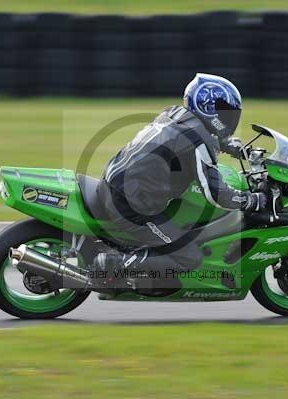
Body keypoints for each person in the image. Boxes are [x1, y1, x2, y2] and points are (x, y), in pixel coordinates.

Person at [93, 73, 267, 290]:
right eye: (225, 112)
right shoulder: (197, 141)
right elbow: (216, 193)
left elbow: (184, 139)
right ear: (208, 109)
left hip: (115, 185)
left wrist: (228, 146)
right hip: (131, 206)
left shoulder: (173, 113)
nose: (230, 118)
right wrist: (250, 200)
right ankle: (113, 265)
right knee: (189, 257)